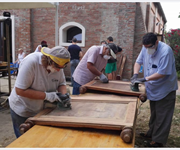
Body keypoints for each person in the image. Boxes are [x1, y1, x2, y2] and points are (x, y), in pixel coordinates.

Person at [8, 46, 70, 138]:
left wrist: (63, 96)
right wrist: (49, 96)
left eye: (61, 68)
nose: (58, 70)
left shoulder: (58, 65)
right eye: (57, 67)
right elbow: (20, 90)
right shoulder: (31, 62)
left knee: (39, 138)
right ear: (49, 60)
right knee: (24, 140)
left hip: (40, 109)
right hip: (23, 108)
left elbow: (61, 83)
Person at [131, 32, 178, 147]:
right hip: (153, 87)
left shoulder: (165, 51)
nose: (147, 49)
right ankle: (151, 133)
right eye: (145, 47)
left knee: (163, 115)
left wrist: (144, 79)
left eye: (150, 47)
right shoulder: (146, 47)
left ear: (156, 42)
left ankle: (158, 141)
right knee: (155, 113)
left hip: (165, 88)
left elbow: (162, 73)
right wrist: (135, 74)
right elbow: (138, 62)